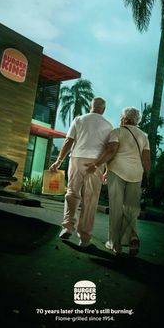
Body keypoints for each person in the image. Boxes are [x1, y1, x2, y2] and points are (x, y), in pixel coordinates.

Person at [86, 106, 151, 256]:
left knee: (116, 208)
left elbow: (111, 151)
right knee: (130, 209)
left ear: (124, 118)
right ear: (137, 120)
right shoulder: (143, 136)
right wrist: (147, 176)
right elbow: (146, 159)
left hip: (117, 172)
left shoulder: (117, 131)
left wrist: (96, 165)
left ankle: (115, 244)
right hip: (136, 174)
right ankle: (131, 236)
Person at [49, 97, 113, 247]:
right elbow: (110, 150)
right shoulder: (109, 125)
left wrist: (58, 160)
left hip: (77, 159)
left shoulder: (79, 119)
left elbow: (68, 141)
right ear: (103, 109)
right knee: (90, 200)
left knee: (72, 193)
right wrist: (106, 170)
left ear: (91, 106)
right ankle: (84, 238)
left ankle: (67, 227)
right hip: (96, 163)